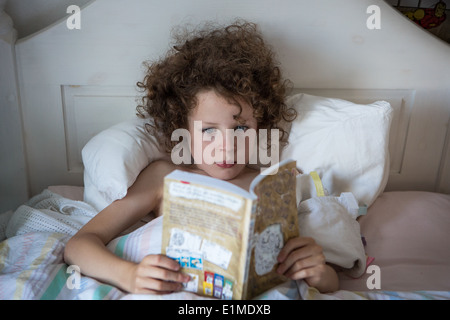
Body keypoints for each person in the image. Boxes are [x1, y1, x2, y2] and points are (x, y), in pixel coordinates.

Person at [64, 21, 339, 295]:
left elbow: (330, 284)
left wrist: (319, 272)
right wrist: (129, 275)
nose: (226, 147)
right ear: (180, 127)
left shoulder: (271, 185)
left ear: (260, 126)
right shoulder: (164, 177)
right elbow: (79, 246)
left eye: (241, 128)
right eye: (208, 130)